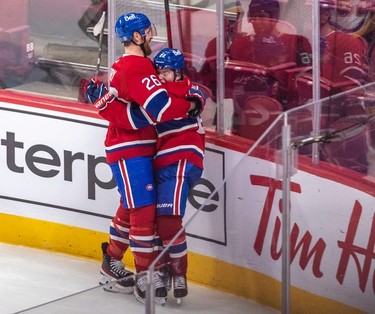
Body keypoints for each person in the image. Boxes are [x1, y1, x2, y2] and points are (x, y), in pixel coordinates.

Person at [84, 12, 206, 303]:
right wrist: (190, 104)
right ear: (138, 37)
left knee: (132, 208)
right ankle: (144, 275)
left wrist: (107, 104)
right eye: (149, 32)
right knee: (143, 213)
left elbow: (115, 106)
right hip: (129, 149)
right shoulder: (137, 67)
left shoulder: (140, 66)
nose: (153, 36)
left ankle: (111, 261)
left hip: (141, 148)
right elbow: (161, 109)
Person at [152, 47, 205, 300]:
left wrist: (194, 103)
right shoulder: (155, 92)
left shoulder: (186, 89)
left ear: (179, 71)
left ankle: (178, 271)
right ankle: (162, 269)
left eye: (166, 72)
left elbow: (199, 96)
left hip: (183, 156)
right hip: (162, 160)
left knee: (169, 219)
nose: (162, 77)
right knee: (155, 222)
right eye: (158, 72)